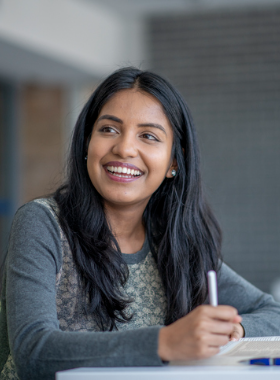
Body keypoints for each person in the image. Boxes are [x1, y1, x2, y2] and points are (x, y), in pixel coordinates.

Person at [0, 67, 279, 380]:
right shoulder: (43, 223)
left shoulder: (177, 244)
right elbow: (33, 351)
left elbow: (274, 314)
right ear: (87, 142)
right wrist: (166, 342)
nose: (124, 148)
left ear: (174, 161)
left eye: (148, 136)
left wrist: (232, 330)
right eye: (109, 129)